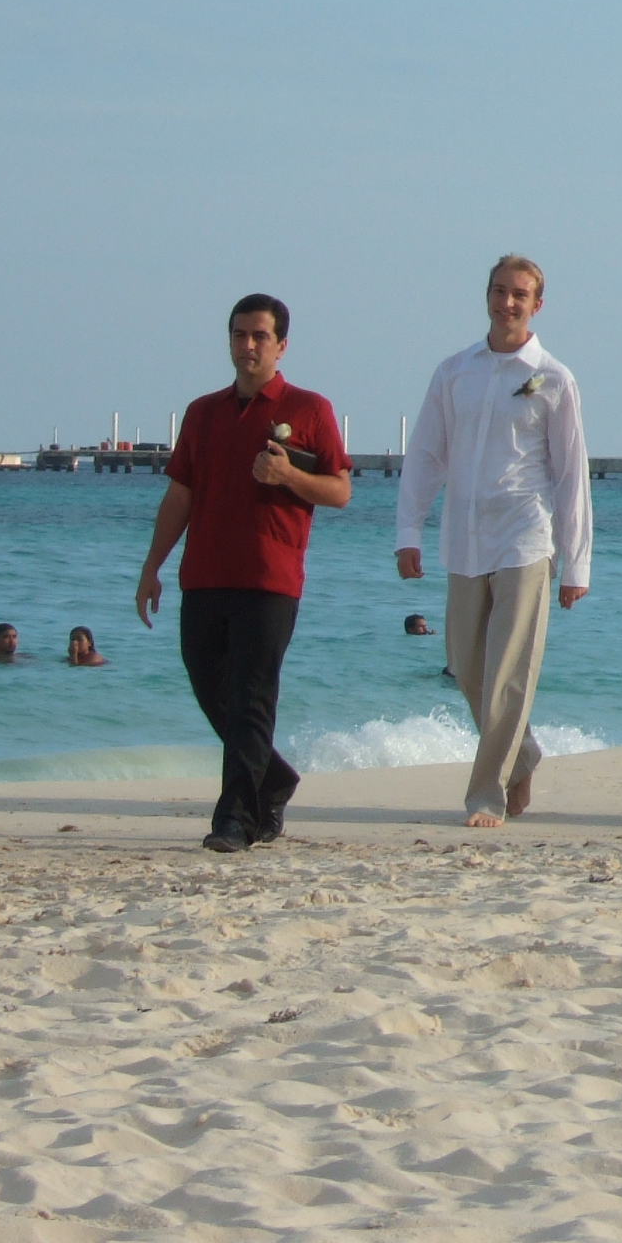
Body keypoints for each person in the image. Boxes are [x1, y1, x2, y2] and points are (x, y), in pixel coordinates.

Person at [136, 293, 352, 854]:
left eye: (259, 336)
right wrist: (152, 566)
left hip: (269, 578)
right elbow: (179, 495)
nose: (248, 345)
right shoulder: (202, 412)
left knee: (252, 697)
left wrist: (288, 478)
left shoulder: (309, 409)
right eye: (239, 334)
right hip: (203, 574)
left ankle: (234, 819)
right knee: (211, 689)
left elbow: (340, 491)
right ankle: (273, 780)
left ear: (281, 346)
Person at [396, 255, 592, 830]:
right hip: (464, 540)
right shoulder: (454, 372)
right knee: (465, 664)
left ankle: (486, 794)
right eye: (500, 291)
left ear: (537, 305)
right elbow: (426, 455)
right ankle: (522, 753)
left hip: (525, 539)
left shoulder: (554, 378)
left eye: (520, 294)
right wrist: (409, 530)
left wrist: (576, 563)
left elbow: (570, 475)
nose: (508, 303)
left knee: (508, 671)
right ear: (487, 296)